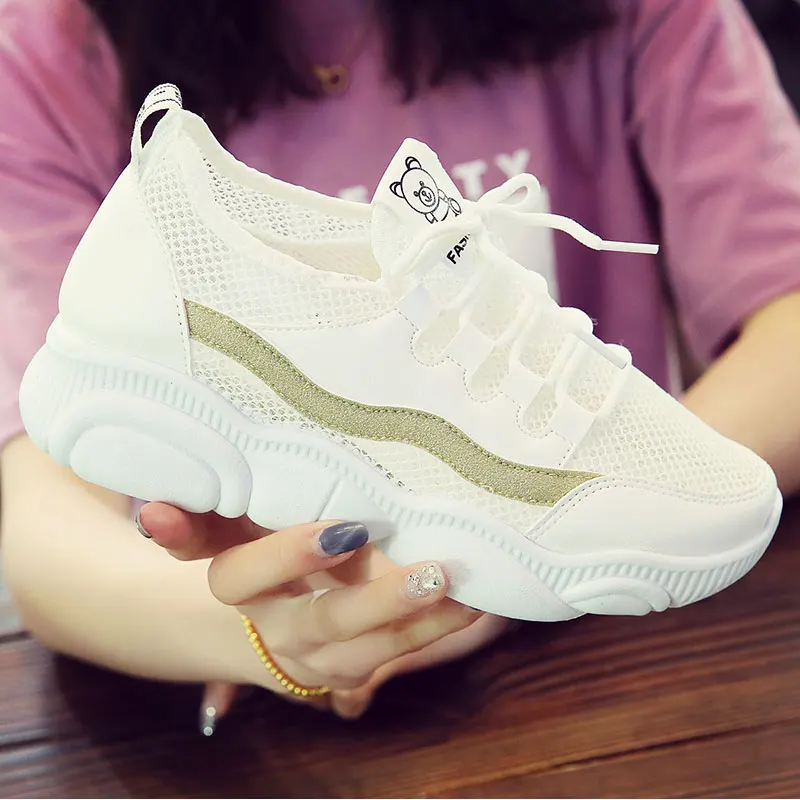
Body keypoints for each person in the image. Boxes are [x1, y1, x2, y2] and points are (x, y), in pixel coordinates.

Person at [3, 0, 800, 728]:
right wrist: (266, 633)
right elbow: (42, 528)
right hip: (257, 717)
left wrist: (558, 542)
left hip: (592, 652)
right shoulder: (48, 51)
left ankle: (533, 492)